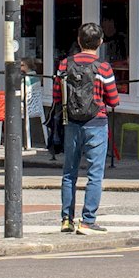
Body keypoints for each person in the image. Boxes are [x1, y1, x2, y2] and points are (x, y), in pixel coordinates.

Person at [54, 21, 117, 235]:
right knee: (95, 173)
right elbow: (114, 98)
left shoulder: (65, 64)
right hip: (96, 122)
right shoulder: (103, 67)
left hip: (71, 122)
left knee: (69, 173)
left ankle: (66, 219)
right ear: (100, 42)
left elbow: (56, 95)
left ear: (79, 41)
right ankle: (88, 220)